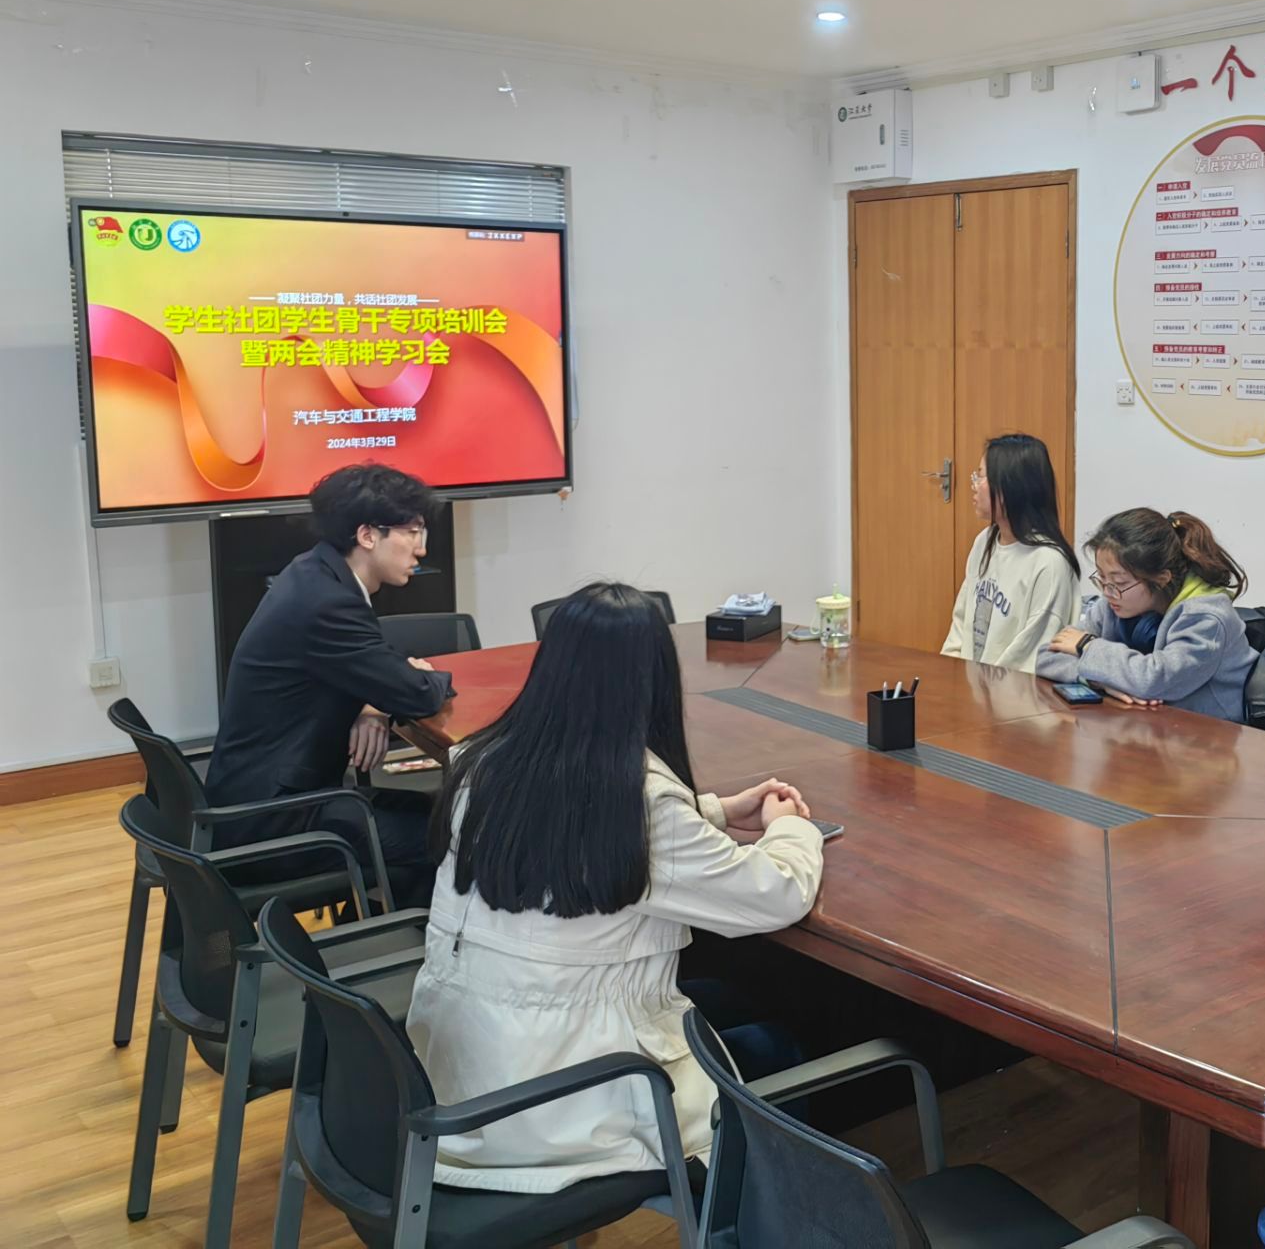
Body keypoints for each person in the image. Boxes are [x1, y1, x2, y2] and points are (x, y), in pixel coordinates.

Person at [406, 582, 824, 1192]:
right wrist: (791, 829)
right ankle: (752, 1215)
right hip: (563, 1101)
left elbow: (578, 841)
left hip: (465, 1072)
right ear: (653, 681)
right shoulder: (637, 804)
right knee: (779, 1045)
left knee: (726, 997)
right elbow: (777, 894)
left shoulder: (483, 760)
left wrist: (708, 811)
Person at [205, 464, 455, 907]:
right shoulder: (328, 602)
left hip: (269, 798)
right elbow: (416, 693)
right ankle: (417, 937)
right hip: (275, 823)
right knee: (450, 835)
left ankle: (408, 926)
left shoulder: (312, 573)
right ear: (367, 535)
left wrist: (371, 705)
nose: (422, 548)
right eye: (413, 532)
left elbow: (370, 672)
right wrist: (418, 678)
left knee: (442, 814)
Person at [1035, 508, 1256, 721]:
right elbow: (1047, 655)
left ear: (1161, 579)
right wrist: (1098, 681)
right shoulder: (1115, 601)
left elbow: (1152, 680)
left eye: (1119, 582)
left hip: (1211, 735)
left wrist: (1087, 646)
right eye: (1101, 578)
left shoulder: (1207, 619)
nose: (1107, 591)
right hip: (1146, 727)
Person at [940, 433, 1080, 673]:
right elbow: (962, 621)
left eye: (981, 476)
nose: (974, 484)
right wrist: (949, 672)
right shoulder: (985, 541)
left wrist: (981, 689)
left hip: (1014, 692)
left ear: (1010, 487)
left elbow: (1030, 656)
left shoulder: (1049, 562)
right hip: (971, 687)